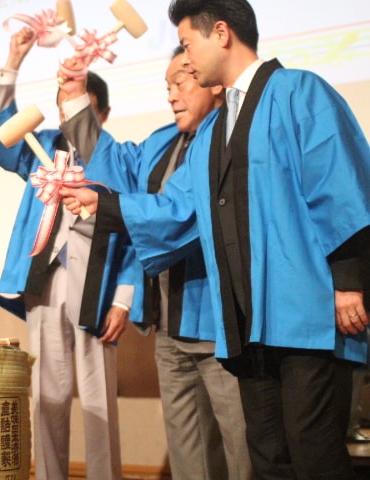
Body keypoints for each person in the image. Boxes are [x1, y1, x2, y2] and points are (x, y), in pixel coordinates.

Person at [62, 0, 370, 478]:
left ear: (221, 33)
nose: (186, 59)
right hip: (248, 323)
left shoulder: (298, 90)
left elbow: (339, 183)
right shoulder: (212, 131)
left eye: (188, 45)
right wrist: (103, 205)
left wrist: (348, 280)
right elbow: (180, 208)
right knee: (269, 458)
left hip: (307, 316)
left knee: (315, 454)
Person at [60, 46, 252, 479]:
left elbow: (181, 211)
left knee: (241, 450)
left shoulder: (232, 134)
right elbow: (115, 165)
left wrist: (107, 206)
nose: (171, 95)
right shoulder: (165, 140)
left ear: (211, 79)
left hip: (221, 323)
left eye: (180, 82)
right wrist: (74, 96)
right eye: (167, 86)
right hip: (168, 324)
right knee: (187, 455)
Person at [0, 27, 131, 480]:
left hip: (97, 284)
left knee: (98, 398)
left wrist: (124, 297)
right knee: (47, 396)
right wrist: (12, 64)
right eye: (62, 104)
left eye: (79, 106)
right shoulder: (42, 149)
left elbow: (137, 228)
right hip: (45, 279)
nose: (66, 114)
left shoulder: (117, 157)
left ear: (101, 113)